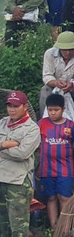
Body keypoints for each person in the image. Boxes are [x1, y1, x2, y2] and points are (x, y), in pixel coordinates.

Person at [0, 91, 40, 237]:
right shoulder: (1, 123)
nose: (12, 109)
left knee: (18, 232)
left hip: (18, 182)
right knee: (0, 230)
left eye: (16, 106)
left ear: (25, 107)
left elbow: (22, 153)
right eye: (9, 106)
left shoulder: (32, 128)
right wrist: (5, 144)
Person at [39, 94, 74, 227]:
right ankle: (54, 226)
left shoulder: (71, 126)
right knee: (51, 197)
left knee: (65, 198)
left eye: (56, 110)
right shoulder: (42, 124)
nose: (53, 113)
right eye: (50, 110)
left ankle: (64, 228)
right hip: (46, 169)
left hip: (66, 168)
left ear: (63, 109)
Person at [44, 32, 74, 110]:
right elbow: (47, 75)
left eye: (71, 50)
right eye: (65, 50)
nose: (68, 53)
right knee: (45, 90)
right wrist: (56, 82)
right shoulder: (50, 54)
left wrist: (71, 84)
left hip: (72, 87)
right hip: (54, 86)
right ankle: (44, 119)